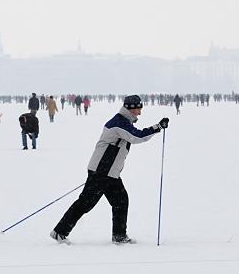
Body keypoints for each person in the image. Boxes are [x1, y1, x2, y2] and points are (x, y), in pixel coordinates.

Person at [50, 95, 169, 245]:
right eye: (139, 109)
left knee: (120, 200)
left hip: (110, 172)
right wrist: (157, 127)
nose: (140, 113)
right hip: (102, 171)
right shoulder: (119, 123)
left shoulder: (124, 122)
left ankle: (119, 236)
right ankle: (59, 232)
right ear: (131, 109)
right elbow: (136, 137)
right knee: (86, 203)